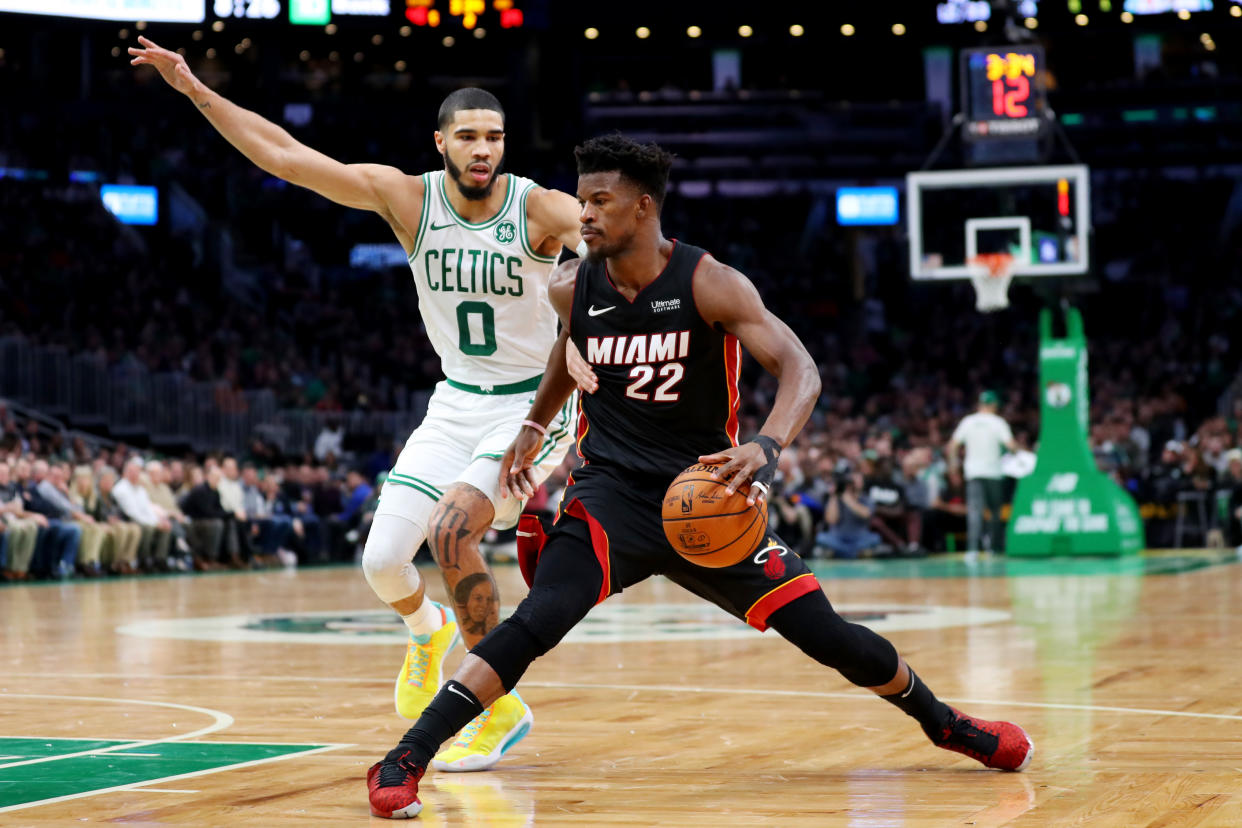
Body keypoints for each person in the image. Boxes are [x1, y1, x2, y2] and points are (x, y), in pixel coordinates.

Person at [366, 135, 1034, 818]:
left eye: (601, 201)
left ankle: (946, 724)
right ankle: (406, 756)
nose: (584, 214)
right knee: (537, 620)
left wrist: (768, 445)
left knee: (831, 636)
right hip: (611, 495)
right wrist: (536, 427)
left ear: (644, 207)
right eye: (582, 198)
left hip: (709, 496)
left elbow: (801, 366)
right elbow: (567, 354)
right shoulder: (570, 284)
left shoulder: (710, 282)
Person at [130, 38, 584, 770]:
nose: (482, 149)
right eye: (467, 136)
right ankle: (429, 628)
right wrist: (194, 90)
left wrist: (597, 332)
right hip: (455, 400)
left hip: (530, 407)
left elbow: (619, 261)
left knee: (450, 532)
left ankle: (498, 708)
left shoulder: (543, 208)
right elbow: (282, 155)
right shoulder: (407, 197)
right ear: (440, 142)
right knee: (380, 564)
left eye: (493, 137)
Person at [946, 391, 1017, 553]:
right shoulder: (998, 422)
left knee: (975, 512)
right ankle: (994, 547)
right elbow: (1011, 446)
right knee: (994, 512)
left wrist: (953, 469)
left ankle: (973, 550)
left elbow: (952, 447)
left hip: (974, 473)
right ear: (994, 406)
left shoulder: (968, 421)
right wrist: (1021, 455)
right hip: (993, 473)